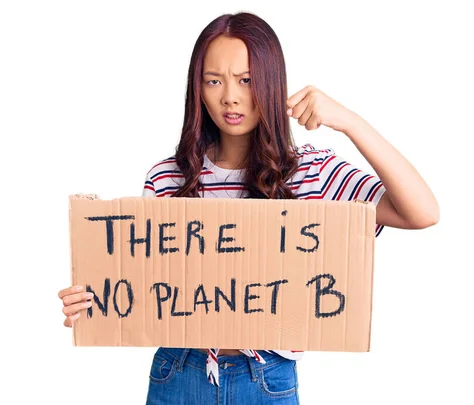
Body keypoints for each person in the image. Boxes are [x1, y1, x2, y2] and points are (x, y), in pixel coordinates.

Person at [57, 11, 439, 405]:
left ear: (270, 84)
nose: (230, 96)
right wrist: (93, 301)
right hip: (178, 373)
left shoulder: (311, 173)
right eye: (213, 81)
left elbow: (421, 212)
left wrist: (350, 122)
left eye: (246, 80)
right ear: (198, 88)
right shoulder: (168, 178)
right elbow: (144, 287)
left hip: (265, 379)